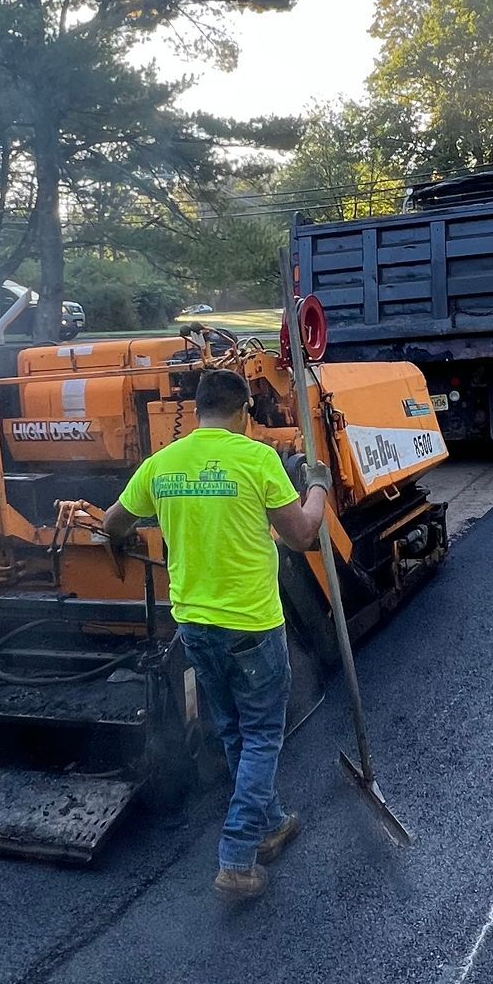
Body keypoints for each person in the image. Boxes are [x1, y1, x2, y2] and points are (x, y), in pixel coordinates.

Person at [57, 369, 328, 900]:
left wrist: (162, 518)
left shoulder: (161, 465)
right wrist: (316, 486)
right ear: (244, 409)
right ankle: (237, 856)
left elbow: (113, 525)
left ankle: (270, 821)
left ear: (198, 408)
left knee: (231, 729)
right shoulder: (258, 459)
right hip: (250, 625)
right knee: (263, 737)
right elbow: (300, 534)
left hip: (195, 626)